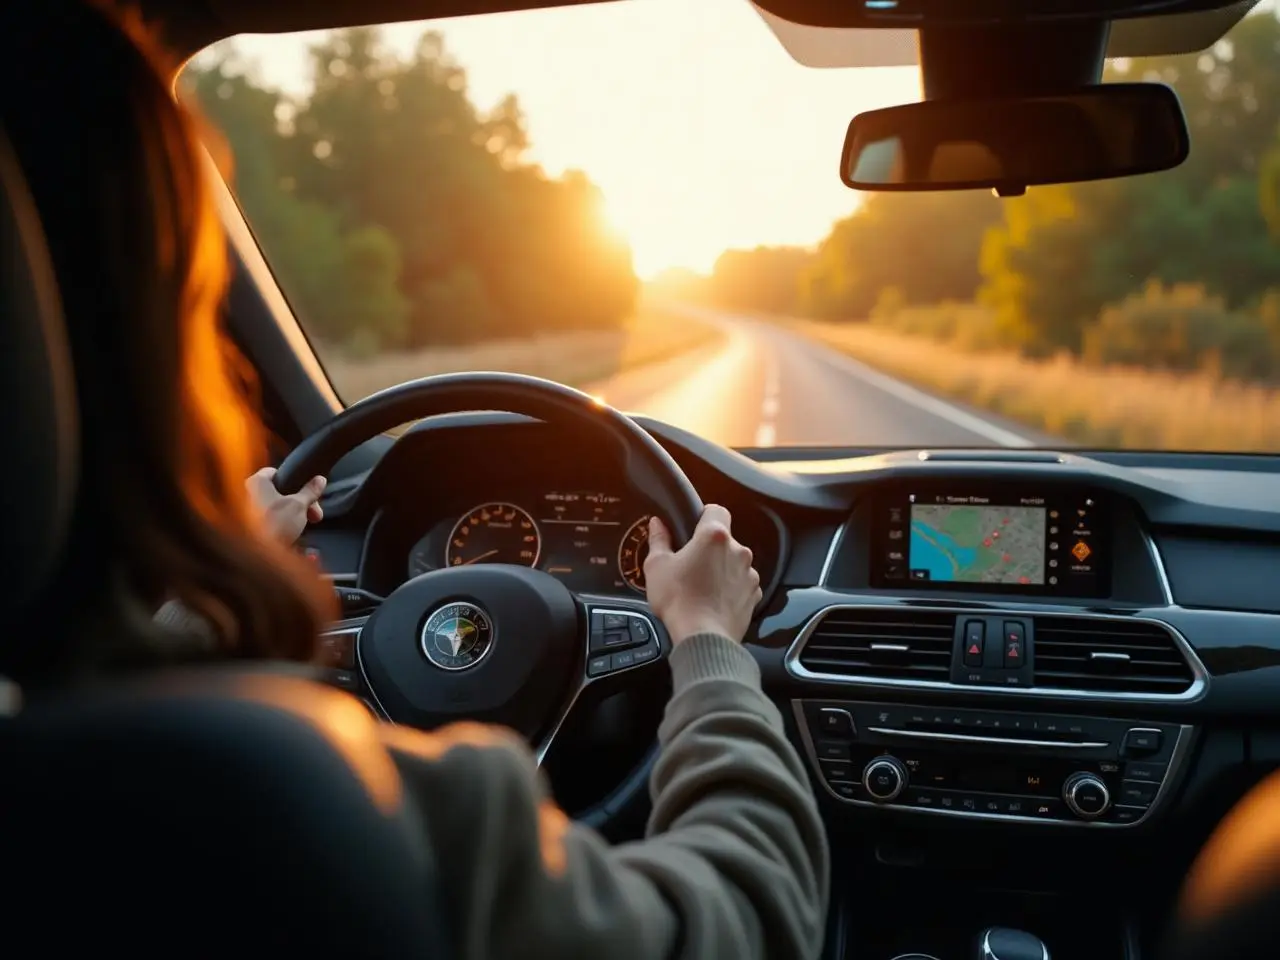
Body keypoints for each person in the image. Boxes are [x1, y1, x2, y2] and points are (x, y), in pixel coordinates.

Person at [1, 2, 830, 958]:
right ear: (153, 363)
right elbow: (751, 916)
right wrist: (706, 644)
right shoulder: (367, 811)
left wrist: (203, 598)